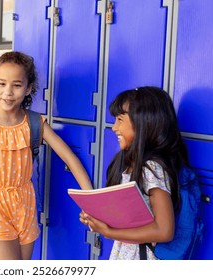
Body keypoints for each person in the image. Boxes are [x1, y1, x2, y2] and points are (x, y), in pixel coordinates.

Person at [0, 51, 93, 260]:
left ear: (28, 88)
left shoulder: (34, 123)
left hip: (26, 203)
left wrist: (91, 201)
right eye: (2, 84)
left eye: (16, 85)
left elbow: (69, 158)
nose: (8, 92)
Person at [80, 86, 190, 260]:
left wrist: (109, 232)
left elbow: (164, 230)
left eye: (120, 120)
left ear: (144, 123)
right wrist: (97, 218)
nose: (114, 127)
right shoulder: (127, 162)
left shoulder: (152, 169)